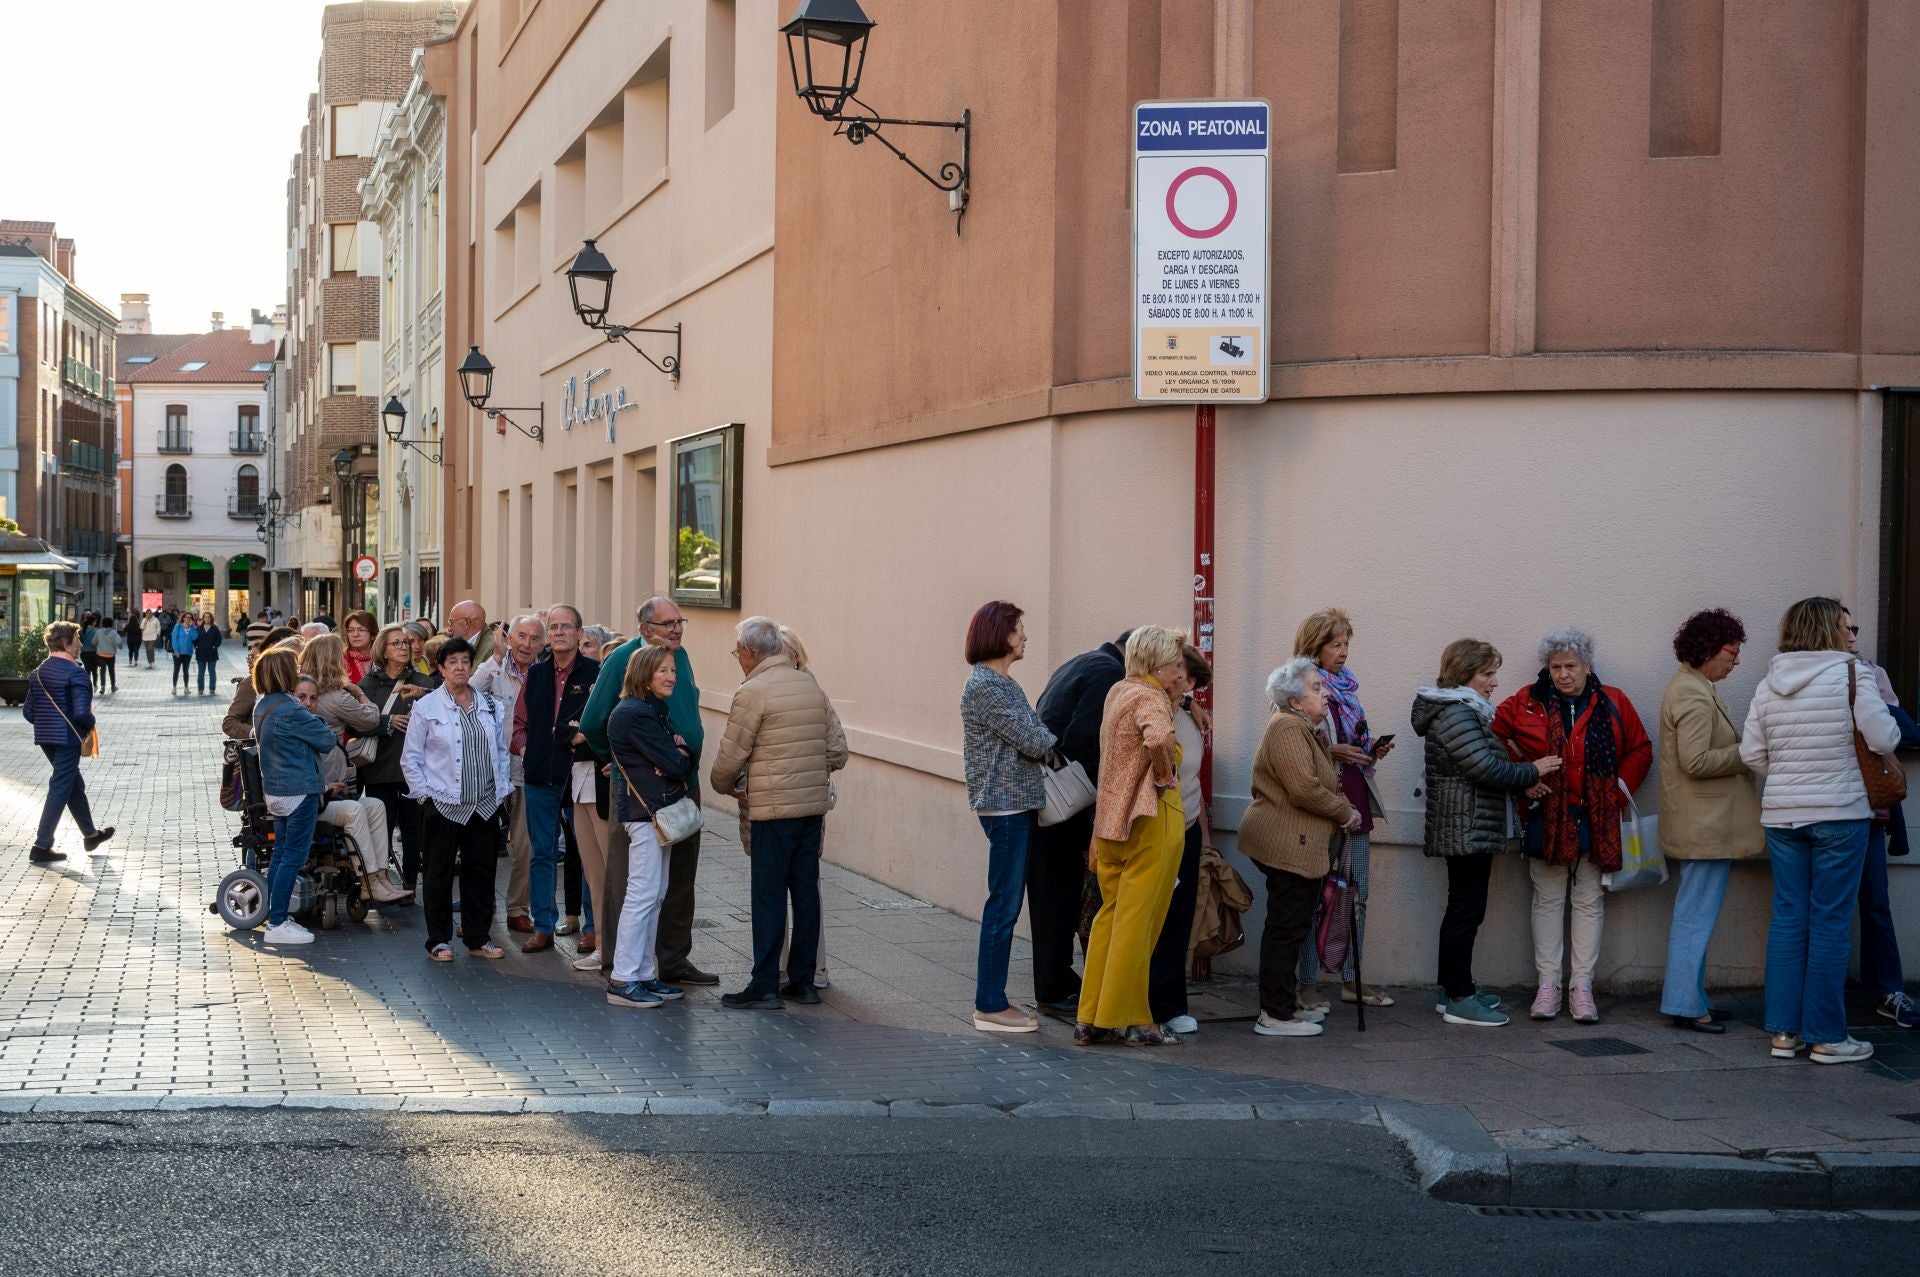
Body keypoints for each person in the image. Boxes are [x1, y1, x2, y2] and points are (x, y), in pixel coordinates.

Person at [1742, 597, 1900, 1065]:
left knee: (1789, 920)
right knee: (1830, 923)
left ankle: (1784, 1035)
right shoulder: (1853, 674)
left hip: (1782, 816)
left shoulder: (1769, 682)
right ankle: (1828, 1037)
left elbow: (1752, 753)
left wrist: (1789, 779)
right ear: (1831, 629)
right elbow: (1885, 739)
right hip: (1839, 813)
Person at [1493, 628, 1652, 1025]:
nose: (1563, 674)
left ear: (1587, 666)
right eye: (1556, 667)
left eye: (1571, 666)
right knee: (1547, 901)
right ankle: (1548, 986)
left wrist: (1616, 791)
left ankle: (1582, 988)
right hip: (1546, 816)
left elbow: (1640, 748)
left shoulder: (1613, 701)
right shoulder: (1526, 702)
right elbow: (1494, 739)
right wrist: (1523, 777)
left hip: (1597, 818)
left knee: (1588, 902)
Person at [1413, 640, 1557, 1028]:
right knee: (1466, 910)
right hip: (1466, 825)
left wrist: (1522, 781)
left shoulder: (1459, 710)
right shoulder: (1457, 713)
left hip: (1467, 824)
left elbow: (1487, 762)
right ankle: (1459, 998)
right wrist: (1534, 770)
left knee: (1463, 908)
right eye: (1488, 673)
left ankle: (1452, 990)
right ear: (1464, 674)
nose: (1495, 682)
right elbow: (1485, 768)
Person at [710, 616, 848, 1010]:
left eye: (738, 651)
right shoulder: (809, 684)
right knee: (805, 893)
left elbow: (731, 755)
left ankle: (765, 983)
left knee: (768, 896)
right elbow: (836, 749)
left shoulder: (754, 690)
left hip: (772, 810)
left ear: (751, 652)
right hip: (810, 809)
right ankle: (803, 981)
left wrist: (723, 784)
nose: (737, 658)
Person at [582, 597, 715, 985]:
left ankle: (672, 960)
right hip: (642, 792)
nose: (677, 629)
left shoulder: (681, 656)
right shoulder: (623, 659)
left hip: (683, 785)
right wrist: (620, 759)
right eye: (668, 623)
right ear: (645, 629)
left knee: (678, 877)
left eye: (680, 621)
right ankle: (619, 964)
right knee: (633, 879)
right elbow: (593, 721)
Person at [1077, 626, 1189, 1046]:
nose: (1181, 673)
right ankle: (1136, 1021)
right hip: (1150, 820)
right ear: (1160, 666)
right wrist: (1165, 775)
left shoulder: (1118, 692)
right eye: (1177, 665)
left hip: (1109, 824)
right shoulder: (1150, 697)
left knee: (1110, 917)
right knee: (1139, 924)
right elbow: (1157, 737)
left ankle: (1091, 1016)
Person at [1240, 656, 1359, 1039]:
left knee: (1290, 925)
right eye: (1316, 688)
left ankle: (1284, 1007)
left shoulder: (1303, 728)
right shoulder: (1288, 727)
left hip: (1298, 842)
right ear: (1294, 701)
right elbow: (1303, 788)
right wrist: (1344, 811)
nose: (1325, 694)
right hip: (1286, 843)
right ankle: (1274, 1014)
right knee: (1286, 928)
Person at [1657, 610, 1765, 1034]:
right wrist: (1750, 753)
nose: (1736, 661)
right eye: (1732, 652)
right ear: (1708, 650)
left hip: (1706, 825)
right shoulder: (1691, 692)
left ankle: (1691, 998)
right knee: (1695, 916)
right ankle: (1684, 1004)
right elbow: (1697, 760)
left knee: (1694, 914)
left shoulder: (1696, 685)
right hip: (1705, 827)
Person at [959, 601, 1056, 1034]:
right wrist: (1049, 737)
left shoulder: (1002, 683)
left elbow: (1033, 734)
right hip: (1006, 806)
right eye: (1019, 629)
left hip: (1015, 803)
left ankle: (992, 999)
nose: (1025, 637)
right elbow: (1035, 739)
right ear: (1001, 634)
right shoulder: (986, 686)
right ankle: (990, 1003)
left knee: (1006, 904)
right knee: (1003, 906)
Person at [1294, 608, 1397, 1012]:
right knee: (1313, 894)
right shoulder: (1297, 687)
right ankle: (1305, 982)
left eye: (1346, 644)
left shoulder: (1349, 688)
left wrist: (1372, 750)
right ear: (1314, 646)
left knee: (1356, 895)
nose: (1343, 652)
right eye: (1335, 644)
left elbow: (1356, 738)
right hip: (1320, 807)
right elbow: (1289, 738)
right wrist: (1329, 749)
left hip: (1355, 800)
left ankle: (1352, 980)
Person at [1029, 632, 1132, 1019]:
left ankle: (1057, 980)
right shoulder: (1108, 674)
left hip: (1047, 799)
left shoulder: (1083, 661)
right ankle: (1054, 988)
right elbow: (1084, 740)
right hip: (1066, 806)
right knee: (1058, 895)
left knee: (1052, 893)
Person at [401, 636, 514, 962]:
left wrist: (502, 788)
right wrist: (426, 798)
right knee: (438, 873)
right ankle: (438, 940)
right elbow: (411, 759)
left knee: (481, 872)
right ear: (441, 668)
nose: (460, 667)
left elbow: (501, 751)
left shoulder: (490, 705)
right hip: (444, 804)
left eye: (465, 661)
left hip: (485, 803)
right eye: (453, 663)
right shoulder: (426, 707)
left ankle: (478, 938)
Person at [604, 644, 696, 1008]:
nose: (671, 677)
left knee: (655, 895)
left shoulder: (652, 710)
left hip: (656, 812)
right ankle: (623, 978)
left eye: (672, 670)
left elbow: (680, 757)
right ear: (644, 674)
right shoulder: (635, 713)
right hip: (645, 815)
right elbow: (675, 764)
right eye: (663, 671)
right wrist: (678, 755)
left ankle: (644, 973)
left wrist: (681, 752)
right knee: (642, 894)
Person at [1842, 606, 1920, 1030]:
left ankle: (1886, 989)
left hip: (1871, 809)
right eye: (1845, 627)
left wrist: (1872, 701)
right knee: (1823, 906)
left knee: (1875, 901)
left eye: (1855, 627)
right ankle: (1822, 993)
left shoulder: (1872, 673)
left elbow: (1905, 732)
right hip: (1829, 806)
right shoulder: (1796, 676)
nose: (1854, 635)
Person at [510, 604, 600, 953]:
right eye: (554, 626)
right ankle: (544, 925)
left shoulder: (596, 673)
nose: (559, 632)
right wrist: (525, 750)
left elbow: (605, 723)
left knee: (588, 853)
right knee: (542, 853)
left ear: (580, 634)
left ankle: (593, 927)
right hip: (539, 776)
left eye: (567, 626)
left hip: (580, 774)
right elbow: (518, 724)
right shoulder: (535, 673)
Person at [292, 675, 408, 905]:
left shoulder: (317, 724)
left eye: (313, 698)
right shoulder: (291, 729)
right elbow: (293, 778)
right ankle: (368, 882)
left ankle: (380, 876)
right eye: (301, 697)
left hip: (327, 797)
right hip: (306, 803)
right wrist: (326, 787)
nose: (308, 703)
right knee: (354, 810)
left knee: (375, 805)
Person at [1149, 644, 1215, 1037]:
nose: (1186, 684)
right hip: (1155, 828)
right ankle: (1142, 999)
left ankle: (1172, 1004)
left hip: (1187, 827)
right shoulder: (1153, 710)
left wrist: (1204, 834)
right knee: (1152, 917)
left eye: (1189, 680)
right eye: (1181, 675)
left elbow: (1191, 781)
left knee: (1178, 919)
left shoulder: (1191, 715)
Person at [250, 648, 335, 946]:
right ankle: (277, 922)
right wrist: (319, 727)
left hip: (276, 789)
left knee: (280, 854)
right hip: (299, 789)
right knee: (293, 857)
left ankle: (276, 914)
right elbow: (327, 740)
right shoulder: (291, 709)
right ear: (285, 673)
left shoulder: (263, 705)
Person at [22, 621, 114, 864]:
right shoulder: (76, 673)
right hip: (68, 738)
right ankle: (41, 845)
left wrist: (49, 724)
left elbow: (28, 713)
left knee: (73, 782)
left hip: (46, 738)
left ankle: (90, 835)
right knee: (61, 786)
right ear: (66, 643)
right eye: (77, 640)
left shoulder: (39, 672)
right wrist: (90, 724)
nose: (81, 644)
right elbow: (82, 712)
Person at [473, 614, 543, 932]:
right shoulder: (495, 666)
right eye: (521, 636)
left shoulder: (546, 673)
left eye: (534, 638)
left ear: (542, 643)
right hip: (492, 767)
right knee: (482, 844)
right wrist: (496, 657)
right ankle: (480, 912)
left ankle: (517, 909)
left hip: (529, 769)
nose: (526, 644)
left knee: (526, 843)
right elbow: (469, 691)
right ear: (509, 637)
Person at [359, 624, 434, 893]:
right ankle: (383, 881)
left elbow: (443, 707)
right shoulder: (369, 684)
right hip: (380, 769)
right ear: (384, 650)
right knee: (382, 831)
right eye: (397, 644)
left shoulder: (422, 682)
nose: (404, 647)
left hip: (414, 771)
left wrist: (423, 698)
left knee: (414, 831)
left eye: (406, 642)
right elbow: (356, 722)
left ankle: (410, 883)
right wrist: (386, 722)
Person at [223, 628, 300, 742]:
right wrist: (256, 732)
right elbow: (229, 723)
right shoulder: (251, 683)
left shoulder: (301, 681)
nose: (251, 661)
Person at [443, 598, 497, 666]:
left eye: (451, 622)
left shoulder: (492, 649)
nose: (449, 629)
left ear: (467, 623)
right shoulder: (465, 645)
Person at [340, 610, 379, 685]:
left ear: (373, 635)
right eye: (351, 630)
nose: (355, 634)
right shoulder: (340, 660)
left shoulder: (383, 658)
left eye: (361, 630)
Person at [194, 613, 223, 695]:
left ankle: (212, 689)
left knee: (212, 672)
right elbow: (195, 639)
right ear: (203, 618)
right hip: (201, 653)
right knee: (201, 672)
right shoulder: (199, 628)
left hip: (212, 653)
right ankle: (200, 689)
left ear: (211, 618)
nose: (207, 618)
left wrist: (215, 646)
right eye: (205, 617)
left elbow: (219, 639)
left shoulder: (215, 628)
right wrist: (196, 646)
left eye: (208, 617)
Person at [170, 613, 198, 693]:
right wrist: (176, 651)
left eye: (190, 617)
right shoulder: (178, 626)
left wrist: (192, 627)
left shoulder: (193, 628)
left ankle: (186, 688)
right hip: (178, 652)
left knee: (186, 670)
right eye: (186, 617)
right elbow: (174, 639)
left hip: (188, 652)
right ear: (183, 618)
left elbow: (194, 638)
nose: (188, 619)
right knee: (176, 670)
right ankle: (174, 688)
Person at [92, 617, 120, 694]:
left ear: (102, 623)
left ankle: (102, 687)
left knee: (102, 671)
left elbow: (93, 642)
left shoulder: (98, 632)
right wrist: (120, 646)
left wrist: (98, 646)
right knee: (111, 671)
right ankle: (113, 686)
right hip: (111, 655)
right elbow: (119, 642)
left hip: (101, 655)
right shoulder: (114, 633)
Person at [78, 614, 100, 691]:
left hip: (84, 653)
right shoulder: (96, 631)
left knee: (87, 669)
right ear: (93, 622)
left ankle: (87, 685)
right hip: (94, 653)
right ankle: (95, 685)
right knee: (94, 670)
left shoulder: (81, 631)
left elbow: (79, 641)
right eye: (95, 622)